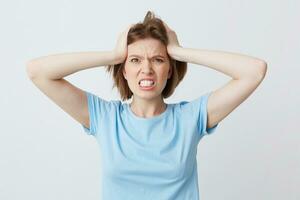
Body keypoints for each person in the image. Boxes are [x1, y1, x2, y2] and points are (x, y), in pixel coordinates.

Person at [26, 11, 267, 200]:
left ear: (170, 68)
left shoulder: (190, 118)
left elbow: (254, 71)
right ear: (125, 69)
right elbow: (38, 72)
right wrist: (112, 55)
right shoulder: (105, 118)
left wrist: (179, 51)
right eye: (135, 60)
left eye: (158, 60)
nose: (147, 69)